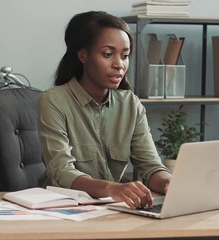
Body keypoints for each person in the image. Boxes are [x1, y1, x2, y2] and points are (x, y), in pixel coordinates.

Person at [37, 11, 171, 209]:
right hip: (61, 209)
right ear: (83, 55)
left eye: (125, 56)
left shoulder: (130, 104)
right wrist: (112, 189)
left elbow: (151, 167)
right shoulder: (53, 100)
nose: (119, 64)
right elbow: (62, 171)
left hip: (110, 209)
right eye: (108, 54)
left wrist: (170, 183)